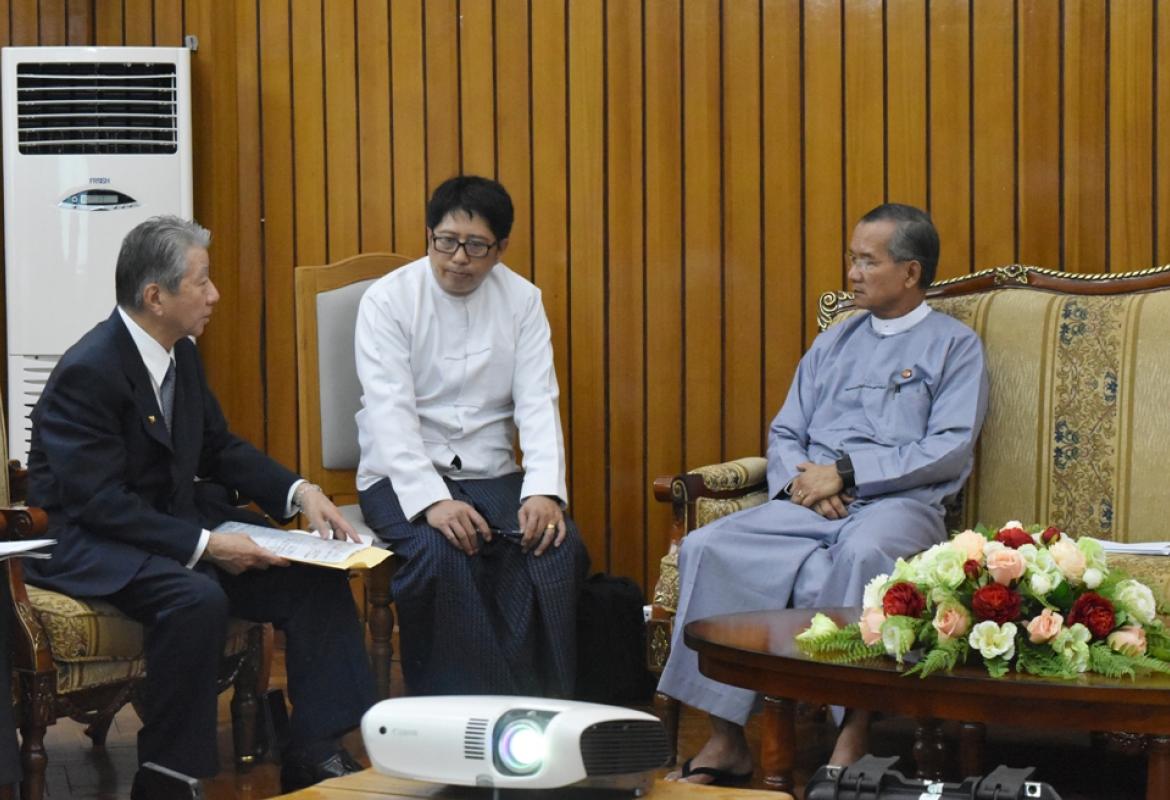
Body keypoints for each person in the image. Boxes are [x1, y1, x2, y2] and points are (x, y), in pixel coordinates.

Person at [23, 216, 377, 797]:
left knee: (314, 574)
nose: (214, 295)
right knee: (196, 597)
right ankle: (167, 776)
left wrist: (301, 492)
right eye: (202, 281)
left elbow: (218, 447)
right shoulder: (89, 370)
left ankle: (314, 750)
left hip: (168, 524)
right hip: (92, 541)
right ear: (155, 296)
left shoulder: (181, 355)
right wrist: (208, 546)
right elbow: (99, 503)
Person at [658, 203, 989, 785]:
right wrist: (804, 482)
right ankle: (726, 739)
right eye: (852, 259)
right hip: (810, 500)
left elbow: (949, 447)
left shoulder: (955, 346)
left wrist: (848, 473)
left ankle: (852, 734)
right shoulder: (834, 341)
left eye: (868, 261)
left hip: (899, 506)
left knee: (864, 555)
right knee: (708, 546)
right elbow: (787, 431)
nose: (852, 274)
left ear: (910, 272)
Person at [356, 175, 589, 698]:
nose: (459, 258)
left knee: (556, 547)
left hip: (491, 470)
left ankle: (542, 705)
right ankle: (461, 712)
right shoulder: (387, 300)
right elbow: (390, 412)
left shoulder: (523, 300)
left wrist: (544, 492)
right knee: (440, 555)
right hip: (400, 476)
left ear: (501, 248)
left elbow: (538, 400)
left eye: (477, 246)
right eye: (447, 241)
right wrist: (432, 502)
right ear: (429, 236)